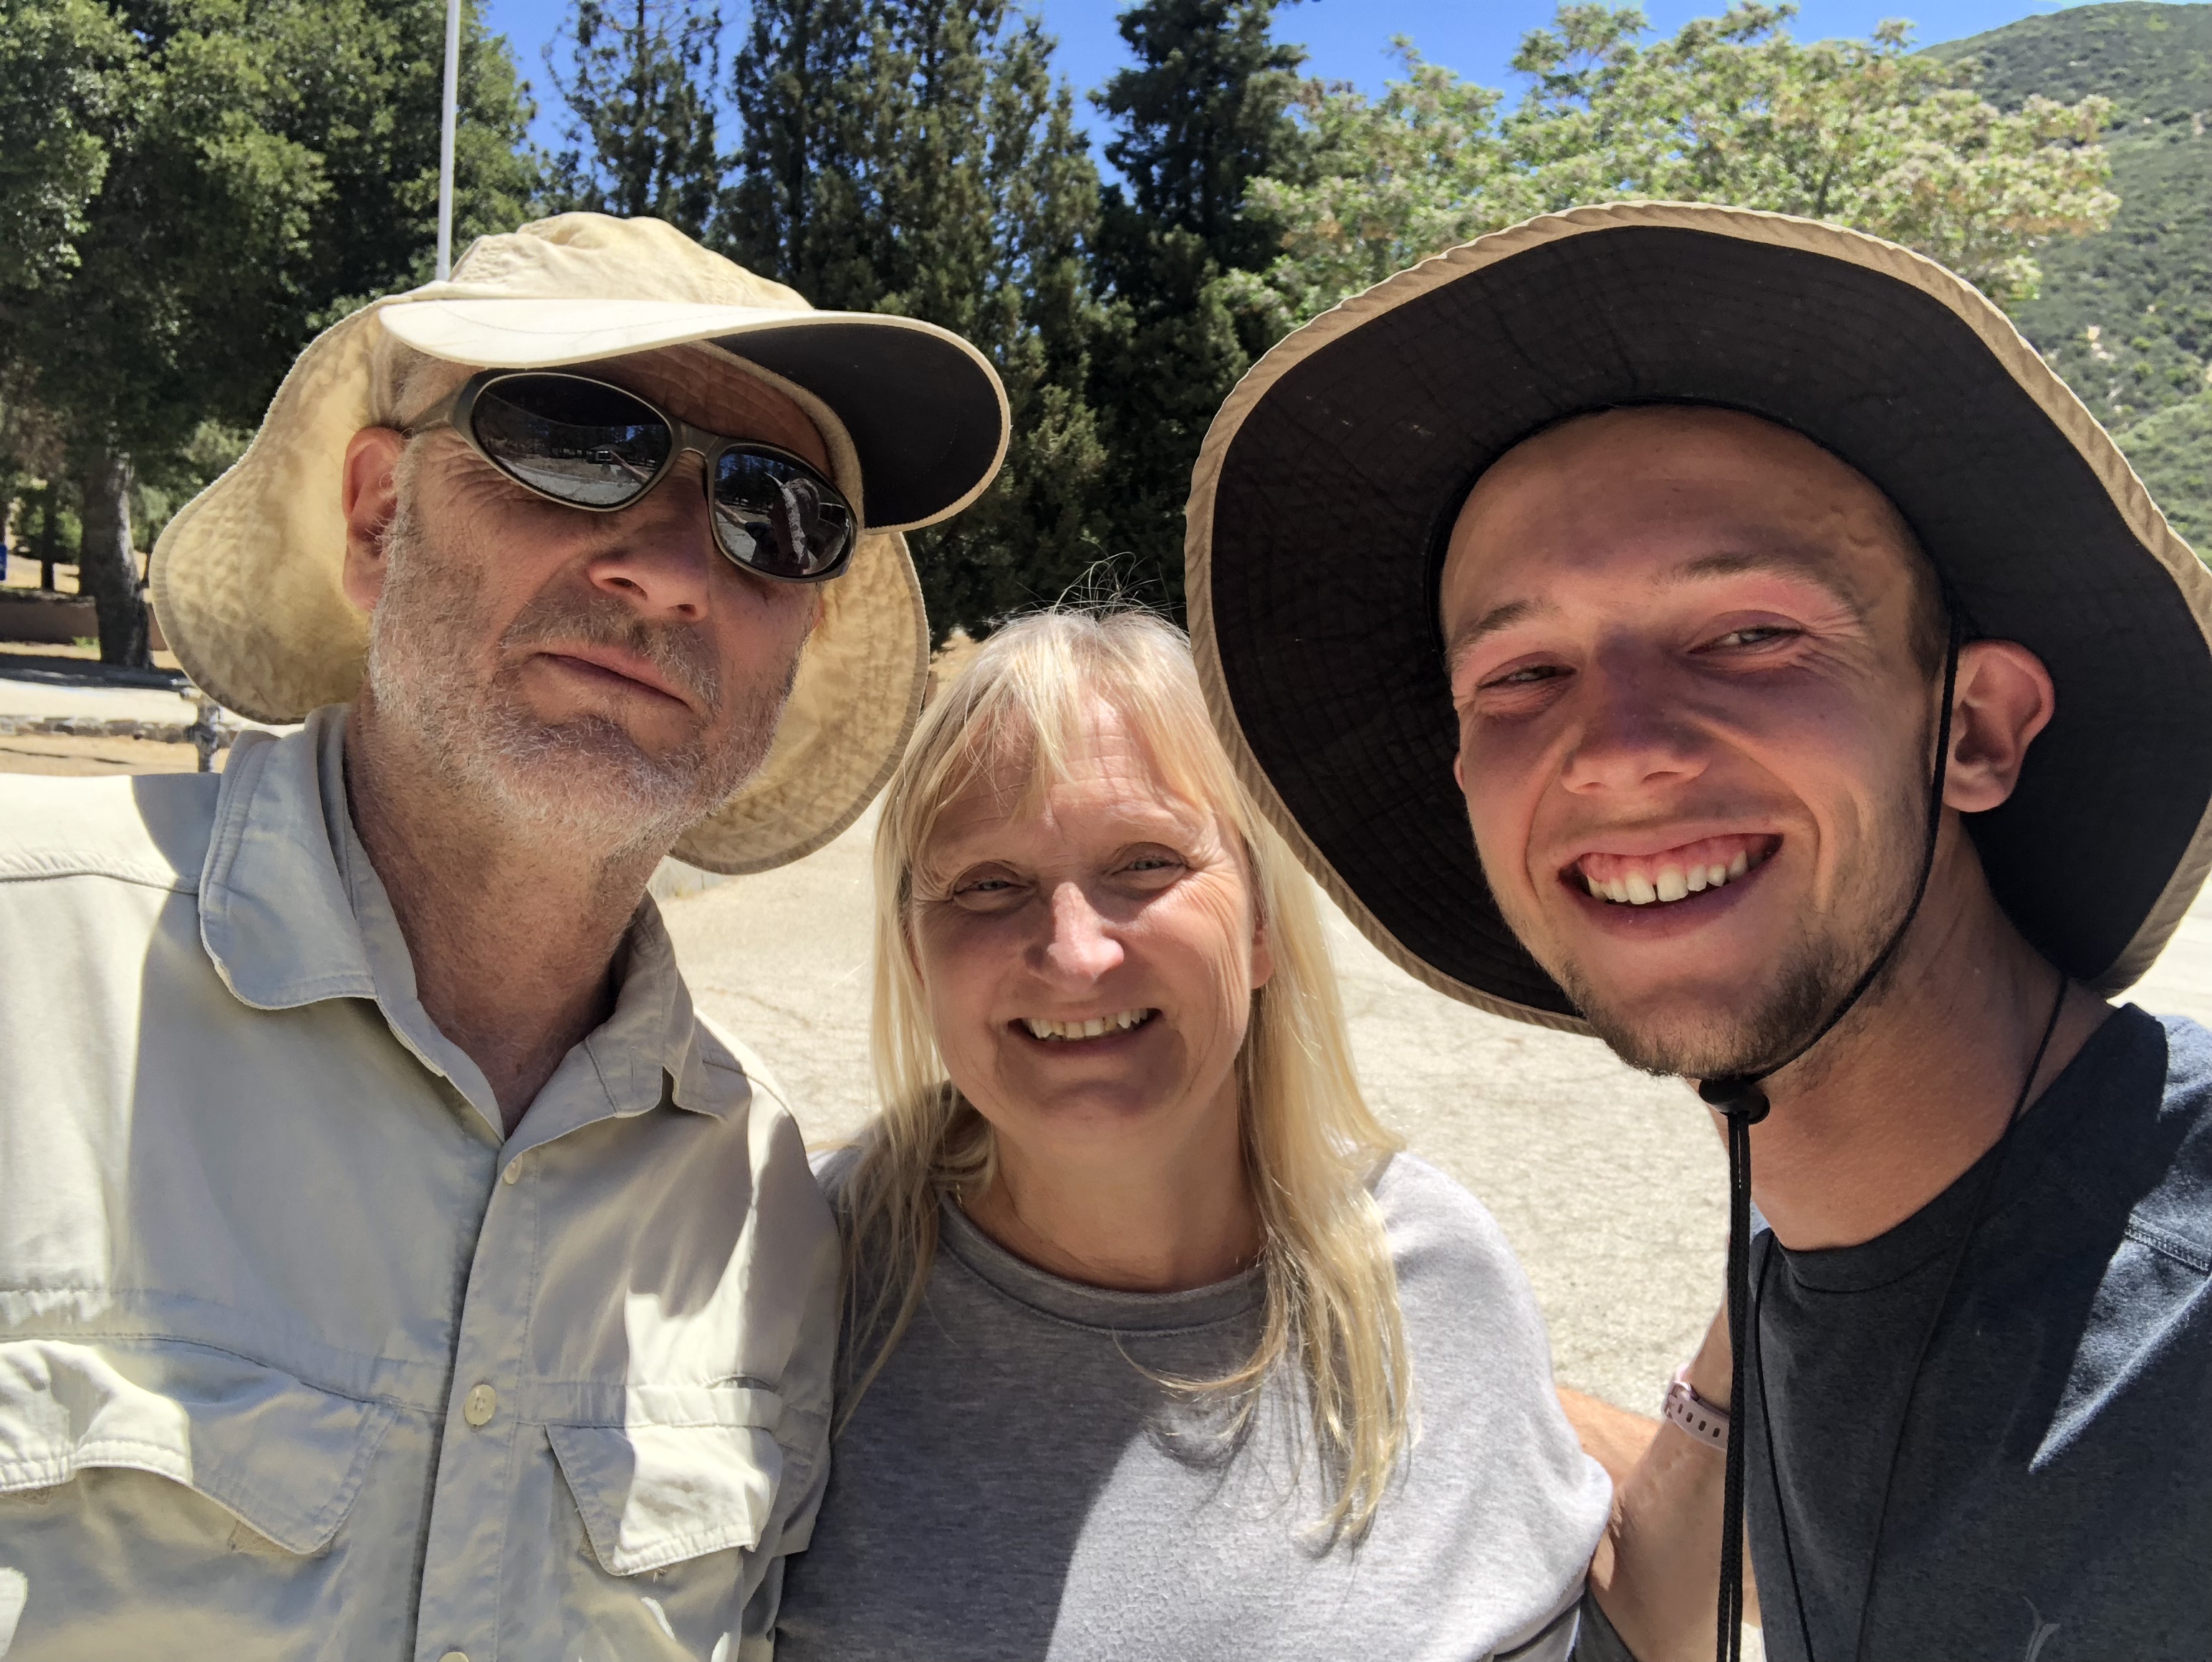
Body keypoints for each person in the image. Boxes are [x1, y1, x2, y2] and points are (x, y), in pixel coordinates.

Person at [1187, 202, 2212, 1662]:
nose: (1618, 752)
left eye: (1746, 635)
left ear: (1972, 728)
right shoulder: (1816, 1239)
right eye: (1522, 673)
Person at [0, 212, 1008, 1659]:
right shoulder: (26, 964)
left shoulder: (768, 1220)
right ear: (376, 517)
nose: (674, 570)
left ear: (794, 652)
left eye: (774, 512)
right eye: (576, 439)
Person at [773, 607, 1612, 1661]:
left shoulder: (1430, 1275)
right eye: (988, 885)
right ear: (915, 954)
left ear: (1261, 923)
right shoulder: (791, 1274)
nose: (1075, 954)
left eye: (1146, 863)